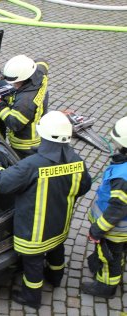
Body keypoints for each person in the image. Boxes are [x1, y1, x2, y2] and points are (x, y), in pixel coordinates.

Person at [0, 111, 92, 309]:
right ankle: (56, 277)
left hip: (34, 232)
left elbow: (2, 183)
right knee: (56, 250)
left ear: (42, 134)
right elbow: (84, 186)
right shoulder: (77, 161)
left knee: (33, 264)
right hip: (60, 224)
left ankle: (31, 297)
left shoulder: (31, 165)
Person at [81, 116, 127, 299]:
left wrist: (98, 229)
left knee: (110, 257)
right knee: (117, 252)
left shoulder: (123, 177)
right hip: (120, 228)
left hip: (114, 229)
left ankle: (106, 286)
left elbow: (117, 209)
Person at [0, 54, 49, 159]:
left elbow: (14, 124)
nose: (13, 84)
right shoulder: (39, 73)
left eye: (15, 82)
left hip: (25, 144)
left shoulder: (25, 102)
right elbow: (42, 61)